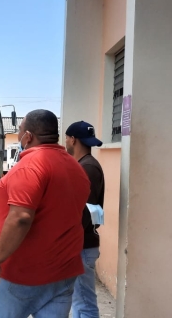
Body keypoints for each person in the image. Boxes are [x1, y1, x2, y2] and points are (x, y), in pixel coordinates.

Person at [0, 109, 91, 317]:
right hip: (62, 273)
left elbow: (20, 218)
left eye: (20, 131)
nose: (19, 135)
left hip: (20, 274)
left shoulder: (30, 166)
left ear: (28, 136)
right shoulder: (76, 168)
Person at [65, 121, 105, 318]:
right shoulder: (86, 165)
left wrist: (69, 243)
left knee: (84, 303)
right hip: (83, 244)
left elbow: (84, 212)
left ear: (73, 140)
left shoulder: (87, 168)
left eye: (66, 138)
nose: (65, 142)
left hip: (82, 246)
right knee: (80, 301)